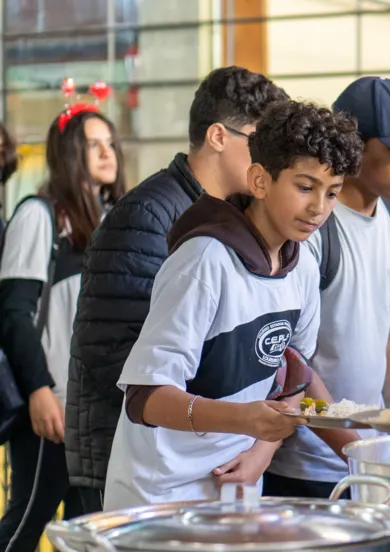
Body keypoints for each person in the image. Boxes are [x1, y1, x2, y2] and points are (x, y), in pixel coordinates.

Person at [103, 100, 364, 510]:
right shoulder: (204, 262)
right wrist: (243, 420)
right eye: (305, 187)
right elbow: (144, 397)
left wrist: (263, 448)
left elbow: (295, 371)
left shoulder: (304, 265)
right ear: (259, 181)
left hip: (235, 488)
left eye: (332, 193)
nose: (319, 208)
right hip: (160, 494)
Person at [65, 66, 288, 514]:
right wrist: (227, 415)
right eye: (260, 144)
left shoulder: (242, 222)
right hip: (133, 459)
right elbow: (114, 350)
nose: (271, 161)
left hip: (202, 457)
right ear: (218, 137)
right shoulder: (147, 214)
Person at [266, 76, 390, 498]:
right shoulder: (312, 230)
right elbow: (290, 359)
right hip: (305, 466)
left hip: (369, 460)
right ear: (356, 146)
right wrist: (358, 450)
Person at [0, 106, 125, 552]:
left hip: (95, 412)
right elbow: (14, 311)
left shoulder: (113, 219)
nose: (107, 152)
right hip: (51, 406)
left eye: (110, 143)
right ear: (70, 152)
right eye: (94, 144)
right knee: (25, 522)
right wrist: (39, 389)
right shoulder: (40, 214)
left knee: (84, 529)